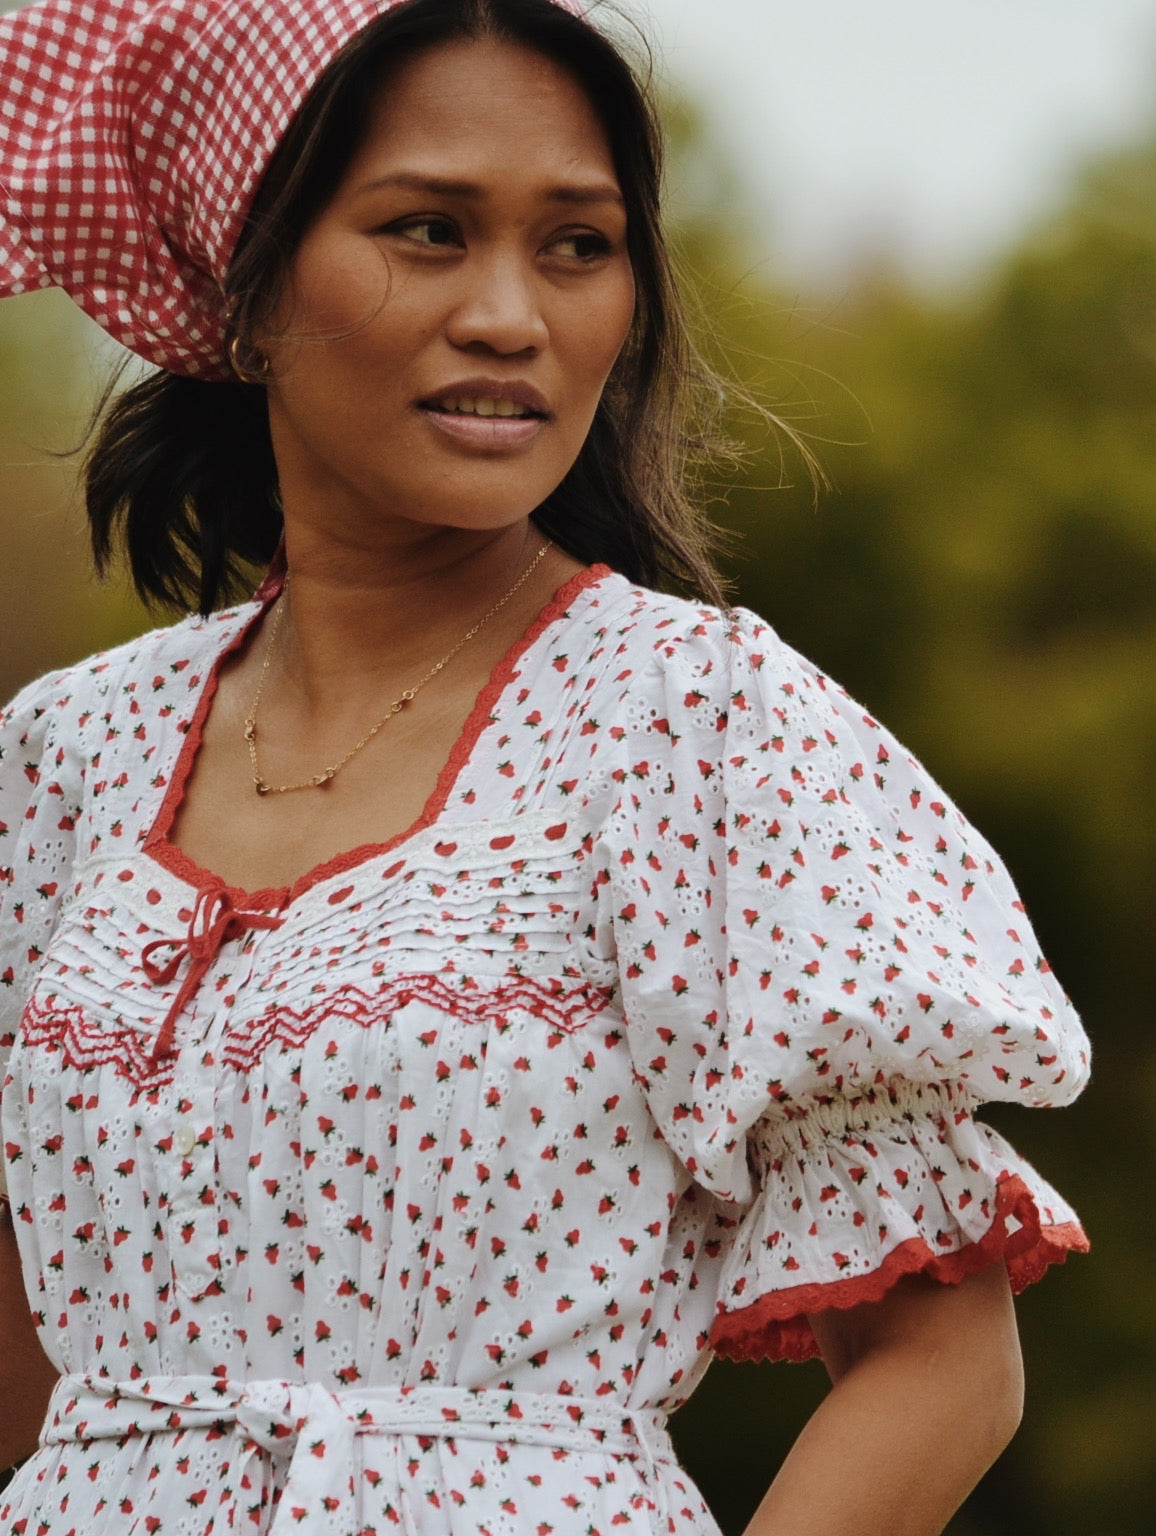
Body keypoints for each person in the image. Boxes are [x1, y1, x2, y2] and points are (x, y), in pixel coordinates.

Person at [0, 1, 1090, 1533]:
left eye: (578, 245)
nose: (512, 314)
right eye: (428, 230)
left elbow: (944, 1366)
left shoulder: (702, 724)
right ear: (244, 285)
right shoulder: (68, 754)